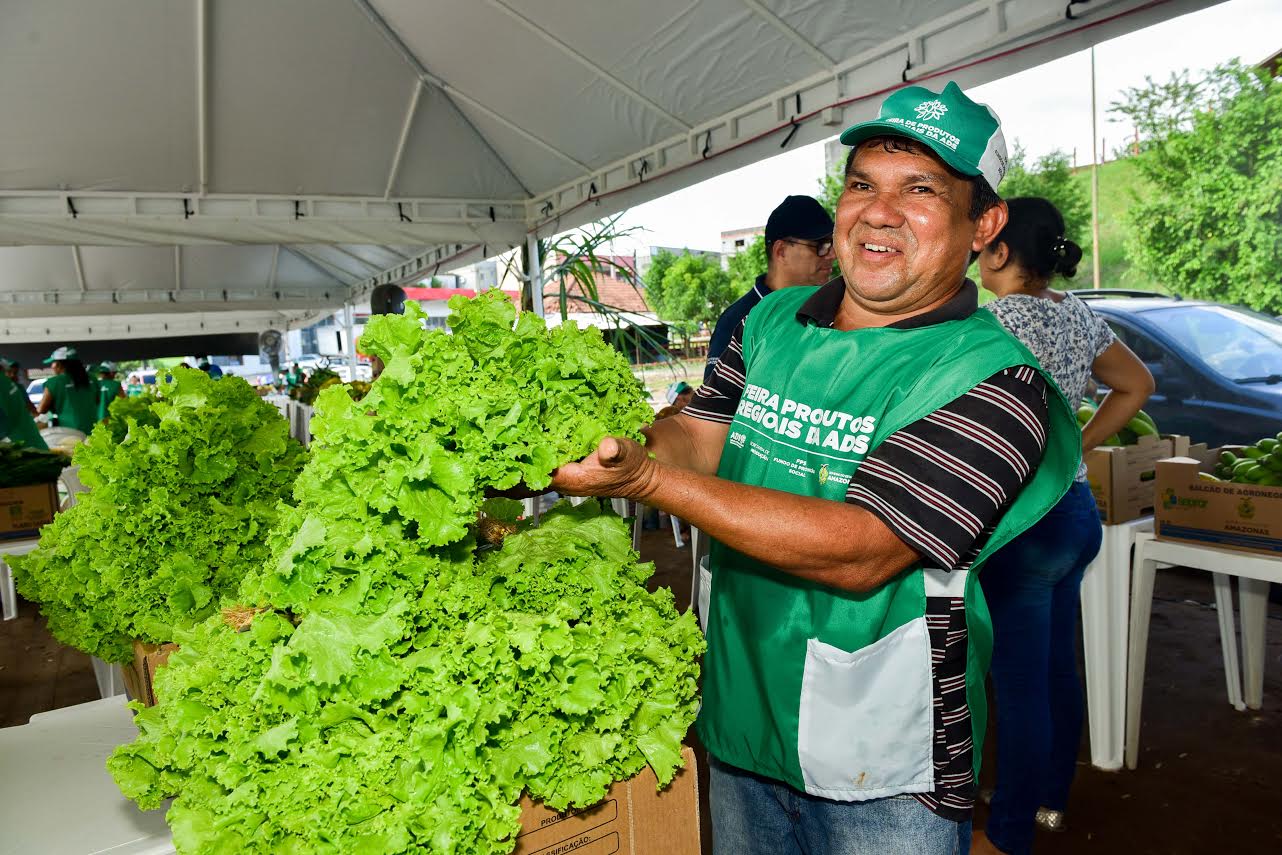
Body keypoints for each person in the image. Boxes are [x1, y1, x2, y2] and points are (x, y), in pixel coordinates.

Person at [551, 81, 1080, 854]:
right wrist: (616, 452)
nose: (880, 209)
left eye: (921, 189)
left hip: (886, 761)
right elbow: (699, 433)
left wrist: (649, 483)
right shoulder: (771, 320)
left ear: (984, 224)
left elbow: (863, 548)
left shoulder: (994, 378)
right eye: (863, 183)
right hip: (741, 712)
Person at [970, 198, 1154, 855]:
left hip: (1022, 518)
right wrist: (1075, 445)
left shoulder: (994, 323)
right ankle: (1048, 804)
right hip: (1075, 511)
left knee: (1018, 682)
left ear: (997, 249)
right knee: (1053, 670)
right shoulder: (1076, 313)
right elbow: (1136, 383)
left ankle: (1012, 831)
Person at [705, 195, 835, 381]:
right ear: (781, 251)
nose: (833, 255)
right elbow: (715, 403)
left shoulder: (830, 311)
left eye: (832, 244)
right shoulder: (738, 320)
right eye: (821, 245)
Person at [37, 346, 97, 433]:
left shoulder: (54, 382)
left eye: (53, 362)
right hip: (93, 429)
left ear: (59, 364)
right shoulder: (92, 379)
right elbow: (97, 400)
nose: (51, 366)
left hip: (68, 432)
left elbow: (41, 409)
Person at [0, 369, 48, 450]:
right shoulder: (8, 383)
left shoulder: (13, 386)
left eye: (15, 372)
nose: (12, 375)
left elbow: (33, 410)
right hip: (29, 445)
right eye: (9, 372)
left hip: (20, 448)